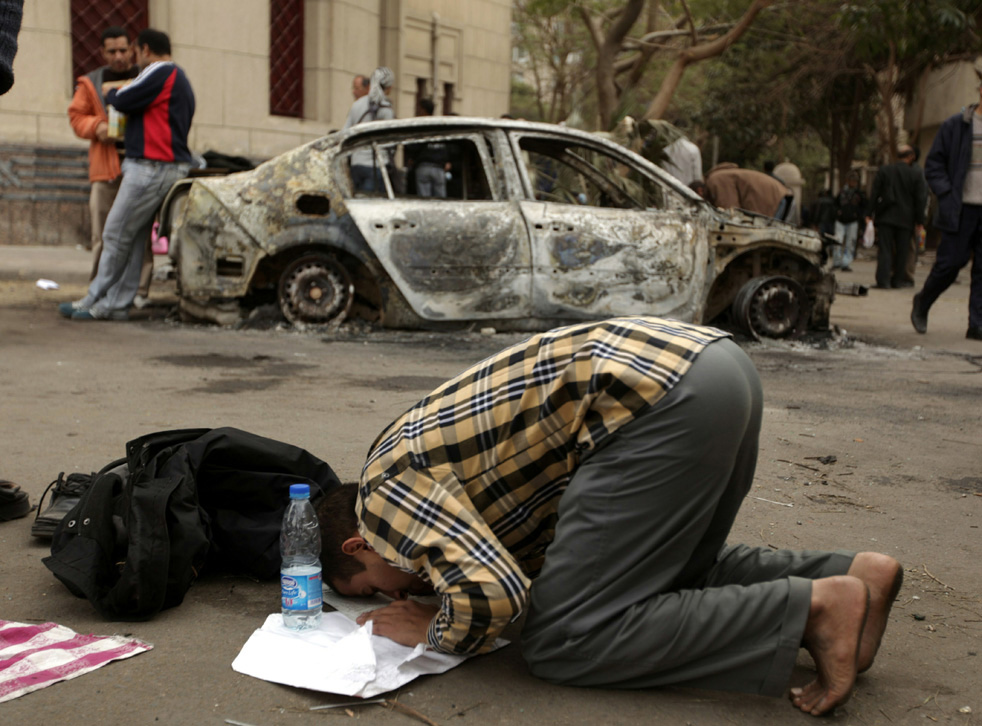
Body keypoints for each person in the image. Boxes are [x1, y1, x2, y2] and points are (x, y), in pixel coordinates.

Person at [317, 316, 903, 717]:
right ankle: (858, 576)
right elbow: (547, 569)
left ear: (357, 548)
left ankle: (816, 607)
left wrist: (436, 630)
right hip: (715, 366)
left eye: (374, 590)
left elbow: (495, 598)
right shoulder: (428, 476)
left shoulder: (378, 500)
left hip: (648, 400)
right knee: (662, 575)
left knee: (562, 640)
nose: (393, 597)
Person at [59, 28, 194, 321]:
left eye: (128, 51)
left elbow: (121, 99)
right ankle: (116, 304)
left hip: (150, 167)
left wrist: (112, 92)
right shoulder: (176, 76)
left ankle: (96, 301)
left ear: (144, 49)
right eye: (113, 52)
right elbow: (81, 116)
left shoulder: (159, 70)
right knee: (130, 239)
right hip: (147, 167)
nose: (124, 57)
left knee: (114, 234)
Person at [68, 27, 154, 308]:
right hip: (106, 169)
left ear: (132, 49)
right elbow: (76, 116)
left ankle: (139, 292)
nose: (118, 56)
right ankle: (99, 288)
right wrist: (97, 126)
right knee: (104, 233)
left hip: (141, 167)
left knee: (139, 232)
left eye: (122, 50)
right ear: (102, 53)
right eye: (112, 51)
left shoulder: (147, 78)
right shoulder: (92, 82)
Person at [912, 74, 982, 340]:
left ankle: (977, 323)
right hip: (961, 208)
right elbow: (934, 164)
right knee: (950, 265)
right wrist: (947, 192)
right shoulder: (957, 125)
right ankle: (923, 302)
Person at [869, 145, 927, 289]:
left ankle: (883, 280)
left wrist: (869, 214)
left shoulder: (885, 171)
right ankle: (898, 280)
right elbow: (921, 198)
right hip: (906, 219)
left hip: (886, 218)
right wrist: (920, 221)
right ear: (910, 157)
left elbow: (874, 193)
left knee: (885, 250)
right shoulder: (916, 174)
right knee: (903, 251)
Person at [342, 66, 395, 193]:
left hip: (356, 164)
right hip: (376, 166)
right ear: (388, 87)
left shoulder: (357, 104)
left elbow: (345, 133)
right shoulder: (386, 107)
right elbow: (390, 141)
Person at [702, 162, 794, 220]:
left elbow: (731, 211)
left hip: (776, 199)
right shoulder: (720, 176)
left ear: (699, 190)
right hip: (781, 195)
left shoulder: (715, 180)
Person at [406, 98, 450, 198]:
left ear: (423, 110)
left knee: (424, 198)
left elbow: (415, 146)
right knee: (441, 199)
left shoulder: (421, 125)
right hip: (439, 168)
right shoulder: (439, 126)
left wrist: (412, 158)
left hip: (424, 166)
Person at [833, 171, 868, 271]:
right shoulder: (842, 192)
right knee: (837, 240)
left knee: (850, 243)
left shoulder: (859, 194)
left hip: (853, 221)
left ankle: (846, 262)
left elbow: (864, 206)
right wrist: (838, 212)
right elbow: (835, 205)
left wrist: (858, 215)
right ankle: (837, 261)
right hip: (840, 220)